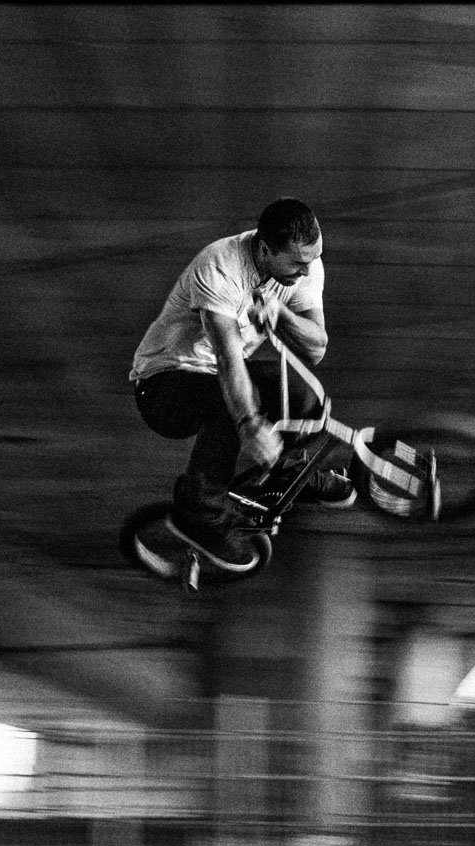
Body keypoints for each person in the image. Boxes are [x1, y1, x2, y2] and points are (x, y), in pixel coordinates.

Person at [130, 197, 356, 571]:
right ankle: (199, 513)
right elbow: (228, 359)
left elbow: (316, 347)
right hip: (162, 386)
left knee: (301, 395)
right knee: (233, 402)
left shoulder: (304, 266)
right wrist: (251, 426)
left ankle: (286, 474)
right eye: (297, 263)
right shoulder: (220, 267)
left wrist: (282, 313)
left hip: (217, 376)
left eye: (312, 259)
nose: (306, 270)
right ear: (265, 249)